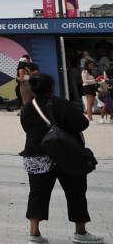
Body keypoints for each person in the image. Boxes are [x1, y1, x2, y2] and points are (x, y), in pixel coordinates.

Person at [21, 74, 103, 244]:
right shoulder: (59, 103)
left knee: (37, 194)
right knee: (76, 193)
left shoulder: (28, 108)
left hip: (37, 158)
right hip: (65, 155)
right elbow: (82, 123)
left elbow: (27, 128)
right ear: (51, 88)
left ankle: (34, 234)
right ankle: (80, 232)